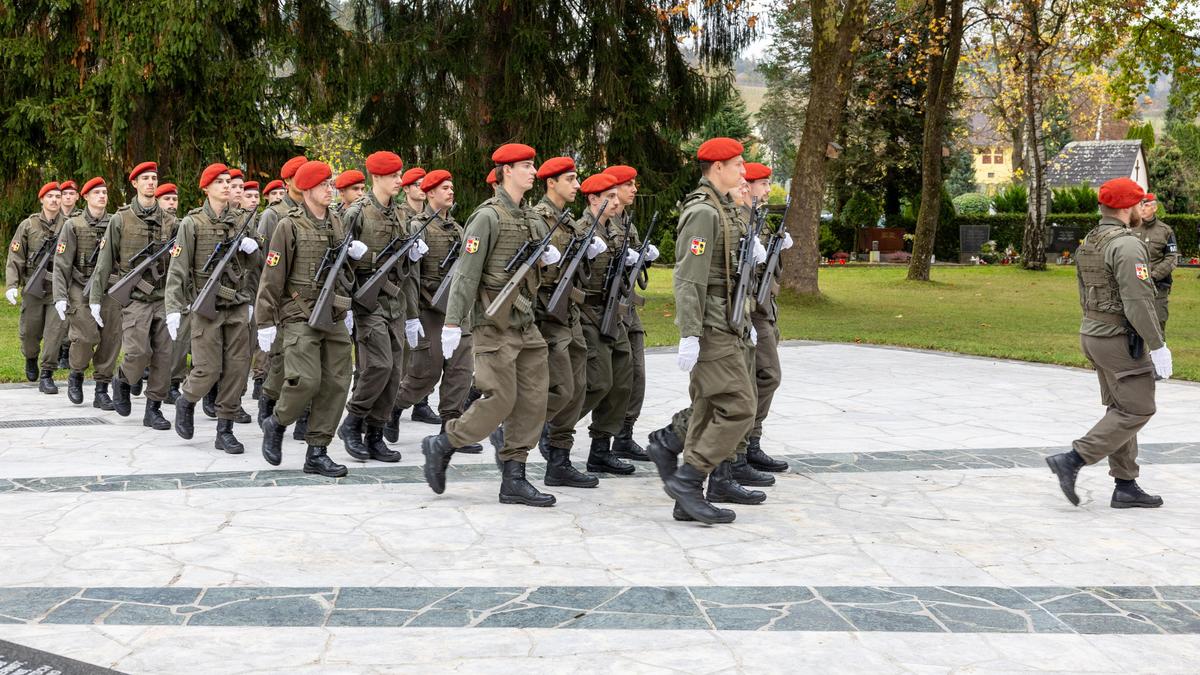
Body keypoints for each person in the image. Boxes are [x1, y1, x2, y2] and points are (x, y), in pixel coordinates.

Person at [420, 143, 560, 507]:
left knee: (532, 400)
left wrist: (546, 259)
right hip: (493, 323)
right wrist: (453, 323)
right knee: (501, 398)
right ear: (506, 171)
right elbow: (465, 274)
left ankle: (514, 476)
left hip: (525, 323)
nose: (534, 171)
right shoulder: (487, 217)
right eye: (527, 166)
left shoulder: (529, 217)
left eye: (533, 164)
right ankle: (444, 442)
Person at [647, 137, 758, 525]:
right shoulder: (703, 213)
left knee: (709, 406)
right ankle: (688, 478)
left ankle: (687, 498)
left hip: (727, 321)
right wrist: (690, 333)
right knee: (740, 405)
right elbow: (688, 278)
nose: (744, 171)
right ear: (717, 168)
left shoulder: (723, 208)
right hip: (711, 326)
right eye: (738, 164)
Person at [1046, 177, 1172, 509]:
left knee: (1120, 408)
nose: (1142, 211)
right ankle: (1073, 459)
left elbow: (1083, 292)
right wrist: (1157, 345)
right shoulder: (1128, 245)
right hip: (1118, 339)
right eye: (1138, 204)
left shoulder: (1091, 240)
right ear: (1126, 207)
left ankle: (1126, 485)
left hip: (1094, 333)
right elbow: (1138, 301)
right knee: (1139, 407)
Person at [256, 160, 368, 477]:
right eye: (323, 185)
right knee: (306, 380)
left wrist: (354, 262)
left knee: (337, 382)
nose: (329, 190)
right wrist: (265, 321)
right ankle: (276, 423)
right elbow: (271, 277)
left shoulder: (337, 222)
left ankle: (317, 452)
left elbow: (343, 274)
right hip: (298, 315)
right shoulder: (288, 226)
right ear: (306, 189)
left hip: (332, 315)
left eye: (331, 184)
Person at [165, 164, 260, 454]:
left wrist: (252, 248)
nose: (226, 186)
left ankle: (225, 429)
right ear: (206, 188)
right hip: (206, 308)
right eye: (219, 182)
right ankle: (187, 400)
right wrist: (172, 307)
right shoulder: (192, 224)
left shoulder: (243, 222)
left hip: (238, 305)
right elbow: (178, 269)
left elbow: (259, 265)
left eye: (228, 182)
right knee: (207, 368)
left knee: (237, 369)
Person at [390, 169, 483, 452]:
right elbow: (408, 275)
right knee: (426, 371)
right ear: (430, 193)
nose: (451, 191)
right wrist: (411, 315)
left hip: (455, 312)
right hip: (427, 309)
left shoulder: (457, 230)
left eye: (452, 187)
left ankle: (450, 431)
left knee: (460, 371)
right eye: (444, 188)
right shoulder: (416, 226)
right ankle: (394, 408)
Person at [337, 151, 419, 464]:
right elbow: (338, 266)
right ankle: (352, 422)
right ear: (378, 178)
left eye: (400, 175)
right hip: (366, 303)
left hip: (395, 301)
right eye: (395, 176)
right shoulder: (357, 213)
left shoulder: (401, 215)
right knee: (379, 365)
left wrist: (410, 258)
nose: (400, 181)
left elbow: (405, 271)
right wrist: (344, 306)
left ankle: (375, 433)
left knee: (395, 371)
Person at [533, 162, 610, 488]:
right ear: (552, 183)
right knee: (561, 387)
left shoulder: (568, 222)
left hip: (571, 313)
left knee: (578, 388)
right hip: (547, 313)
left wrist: (588, 251)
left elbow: (582, 270)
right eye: (570, 179)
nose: (577, 184)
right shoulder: (537, 219)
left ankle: (559, 460)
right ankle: (517, 432)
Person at [89, 161, 177, 428]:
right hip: (135, 299)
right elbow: (104, 262)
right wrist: (95, 298)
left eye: (154, 178)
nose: (151, 182)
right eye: (145, 179)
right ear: (135, 184)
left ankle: (154, 408)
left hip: (162, 298)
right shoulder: (121, 219)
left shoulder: (171, 222)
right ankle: (123, 380)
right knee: (137, 353)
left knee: (164, 355)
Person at [575, 173, 642, 476]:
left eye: (617, 197)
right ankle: (552, 429)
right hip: (589, 314)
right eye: (609, 197)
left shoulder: (614, 230)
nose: (616, 203)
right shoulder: (581, 230)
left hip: (614, 314)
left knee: (622, 381)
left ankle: (601, 449)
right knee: (599, 381)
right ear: (592, 199)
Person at [51, 177, 122, 409]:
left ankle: (101, 388)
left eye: (105, 192)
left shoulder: (116, 223)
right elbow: (61, 264)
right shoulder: (73, 226)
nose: (102, 196)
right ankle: (76, 374)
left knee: (111, 338)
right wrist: (60, 296)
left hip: (108, 288)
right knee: (85, 337)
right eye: (97, 193)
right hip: (79, 288)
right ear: (87, 197)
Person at [742, 162, 792, 476]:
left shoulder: (760, 219)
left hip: (765, 309)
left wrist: (779, 248)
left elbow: (771, 271)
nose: (766, 189)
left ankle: (750, 443)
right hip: (750, 311)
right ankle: (745, 444)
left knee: (759, 378)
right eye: (763, 184)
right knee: (766, 376)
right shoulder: (742, 220)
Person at [603, 165, 652, 463]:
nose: (634, 189)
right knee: (605, 380)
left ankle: (624, 435)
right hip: (608, 310)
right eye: (628, 184)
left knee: (636, 376)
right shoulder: (606, 222)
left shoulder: (627, 223)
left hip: (628, 309)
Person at [6, 181, 67, 392]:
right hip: (33, 287)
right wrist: (12, 284)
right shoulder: (28, 225)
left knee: (55, 333)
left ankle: (47, 374)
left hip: (57, 290)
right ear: (42, 199)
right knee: (30, 333)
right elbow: (16, 256)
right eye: (50, 196)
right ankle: (31, 357)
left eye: (58, 197)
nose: (54, 200)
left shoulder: (68, 225)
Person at [1130, 193, 1177, 337]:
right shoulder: (1130, 228)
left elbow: (1172, 258)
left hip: (1157, 287)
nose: (1142, 208)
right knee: (1133, 326)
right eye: (1140, 205)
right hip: (1133, 286)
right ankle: (1137, 358)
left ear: (1155, 208)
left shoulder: (1165, 231)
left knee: (1157, 325)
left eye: (1146, 205)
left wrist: (1154, 276)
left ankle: (1158, 359)